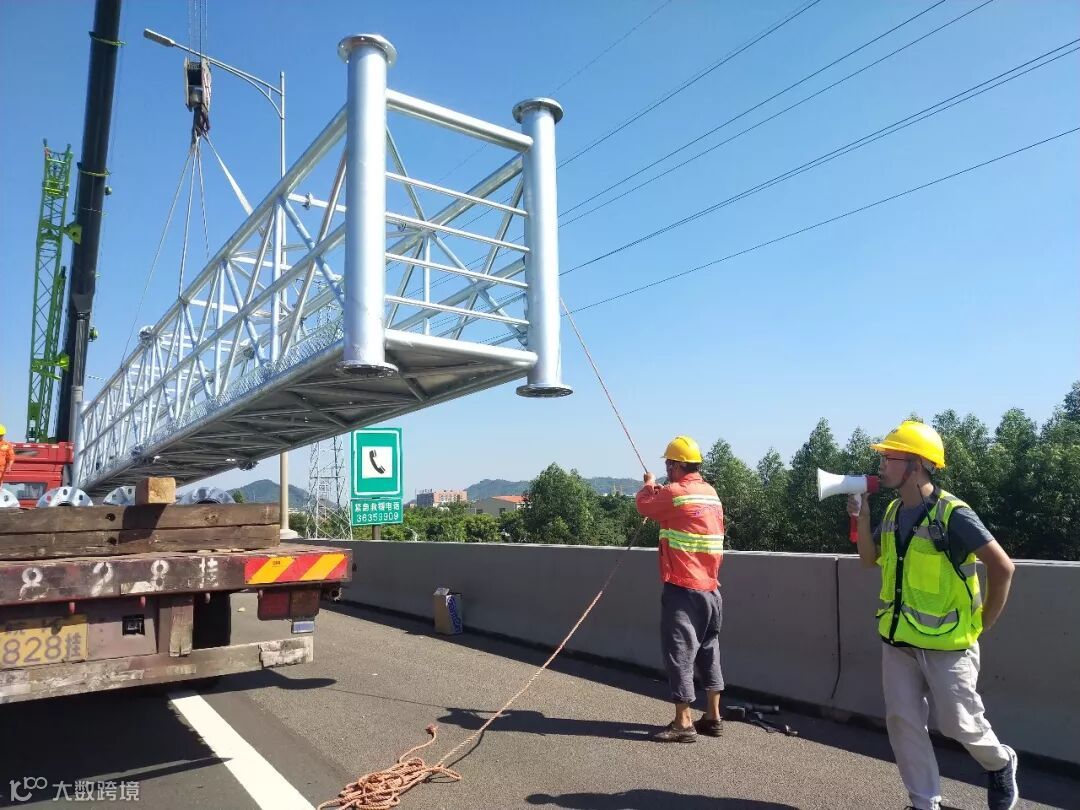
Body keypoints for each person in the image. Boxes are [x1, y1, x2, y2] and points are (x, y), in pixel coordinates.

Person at [849, 420, 1019, 810]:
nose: (881, 465)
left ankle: (1000, 763)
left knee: (960, 724)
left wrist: (982, 624)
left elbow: (1003, 567)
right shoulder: (893, 511)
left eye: (889, 458)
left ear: (916, 465)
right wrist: (862, 515)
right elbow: (869, 561)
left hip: (948, 644)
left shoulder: (953, 513)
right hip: (898, 640)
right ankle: (924, 803)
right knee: (903, 723)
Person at [635, 435, 726, 743]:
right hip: (711, 589)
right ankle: (713, 717)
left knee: (680, 653)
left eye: (668, 465)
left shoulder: (674, 493)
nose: (667, 470)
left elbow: (644, 506)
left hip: (683, 588)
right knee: (709, 651)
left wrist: (649, 484)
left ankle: (683, 723)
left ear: (674, 466)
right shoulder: (710, 493)